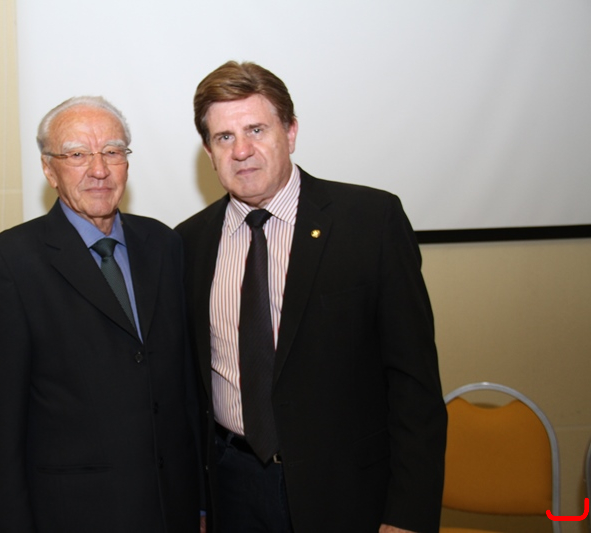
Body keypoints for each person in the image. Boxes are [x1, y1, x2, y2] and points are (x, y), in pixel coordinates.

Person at [175, 61, 447, 533]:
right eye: (224, 137)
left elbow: (414, 384)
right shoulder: (188, 243)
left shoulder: (370, 222)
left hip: (347, 491)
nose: (241, 150)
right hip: (231, 489)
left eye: (256, 129)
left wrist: (408, 515)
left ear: (291, 131)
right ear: (208, 151)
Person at [0, 96, 202, 532]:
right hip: (73, 514)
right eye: (77, 155)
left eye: (112, 152)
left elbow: (185, 390)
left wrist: (201, 504)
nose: (99, 170)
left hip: (173, 510)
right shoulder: (10, 262)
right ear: (49, 169)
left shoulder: (164, 245)